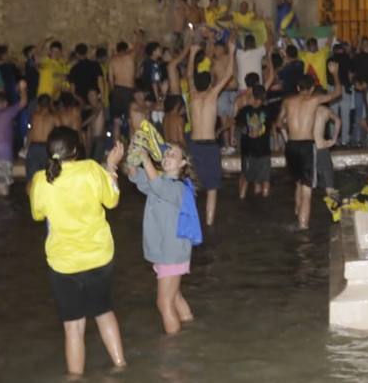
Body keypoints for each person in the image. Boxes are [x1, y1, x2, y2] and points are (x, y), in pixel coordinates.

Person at [28, 126, 126, 377]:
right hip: (99, 257)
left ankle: (75, 378)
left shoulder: (42, 179)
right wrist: (111, 167)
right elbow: (113, 200)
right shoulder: (93, 169)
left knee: (73, 328)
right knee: (104, 313)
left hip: (63, 264)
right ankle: (121, 367)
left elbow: (37, 214)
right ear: (75, 149)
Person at [128, 142, 201, 334]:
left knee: (163, 302)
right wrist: (133, 156)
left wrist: (145, 158)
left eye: (173, 155)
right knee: (174, 296)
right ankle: (189, 328)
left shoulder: (179, 188)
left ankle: (174, 347)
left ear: (183, 163)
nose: (167, 156)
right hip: (167, 251)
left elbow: (158, 186)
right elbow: (138, 177)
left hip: (172, 252)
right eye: (166, 153)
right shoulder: (160, 180)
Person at [278, 76, 341, 229]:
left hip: (291, 146)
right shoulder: (314, 101)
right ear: (312, 89)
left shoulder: (287, 101)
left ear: (298, 88)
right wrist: (335, 74)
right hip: (307, 146)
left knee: (298, 183)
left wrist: (288, 135)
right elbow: (337, 93)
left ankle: (297, 213)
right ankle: (303, 226)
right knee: (307, 190)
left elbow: (279, 123)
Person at [187, 40, 233, 227]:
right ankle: (209, 223)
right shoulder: (212, 95)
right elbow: (229, 75)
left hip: (194, 144)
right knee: (212, 188)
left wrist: (192, 54)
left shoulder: (192, 96)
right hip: (209, 145)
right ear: (209, 84)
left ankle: (191, 221)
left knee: (193, 184)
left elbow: (189, 75)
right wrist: (231, 52)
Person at [236, 81, 272, 199]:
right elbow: (271, 127)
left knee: (246, 179)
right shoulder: (268, 111)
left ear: (252, 96)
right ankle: (265, 204)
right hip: (264, 150)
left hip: (248, 150)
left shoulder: (244, 110)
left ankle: (241, 200)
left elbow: (239, 126)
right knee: (265, 180)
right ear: (263, 96)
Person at [26, 94, 59, 180]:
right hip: (47, 148)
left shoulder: (34, 116)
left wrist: (26, 146)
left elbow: (30, 131)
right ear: (49, 104)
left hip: (34, 146)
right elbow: (60, 131)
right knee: (47, 175)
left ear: (38, 104)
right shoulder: (54, 117)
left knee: (32, 177)